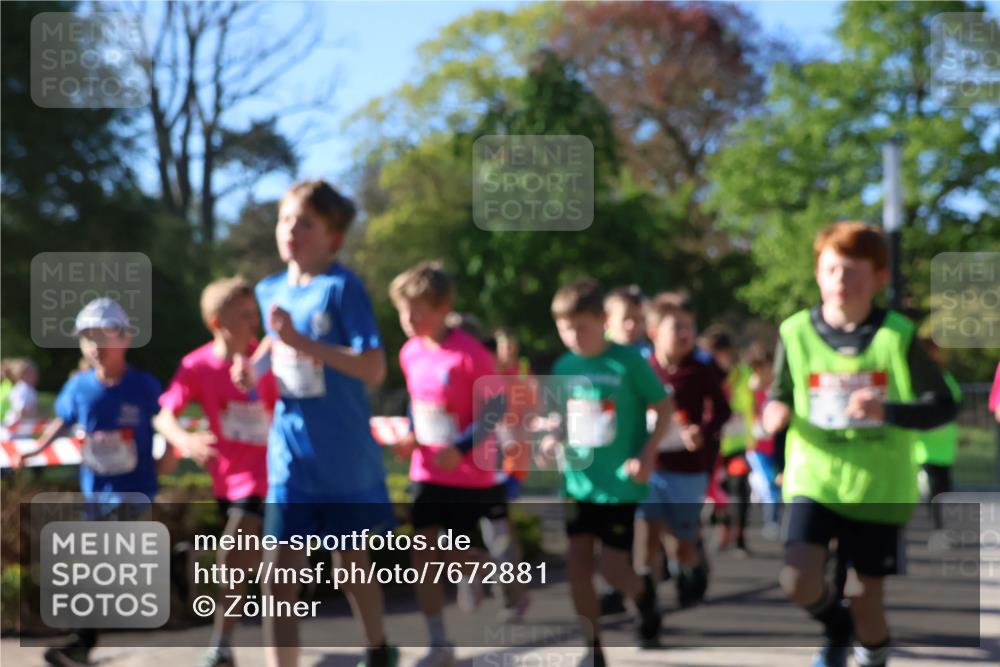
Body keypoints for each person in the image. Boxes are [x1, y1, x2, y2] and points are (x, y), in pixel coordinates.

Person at [761, 221, 959, 667]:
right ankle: (836, 627)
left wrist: (886, 411)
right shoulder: (794, 331)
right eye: (831, 269)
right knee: (797, 580)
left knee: (866, 598)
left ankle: (871, 651)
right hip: (815, 476)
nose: (840, 281)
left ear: (879, 277)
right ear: (817, 273)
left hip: (879, 484)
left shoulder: (897, 335)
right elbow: (780, 391)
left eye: (852, 271)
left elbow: (944, 405)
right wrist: (775, 410)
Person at [233, 179, 398, 667]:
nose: (291, 230)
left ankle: (377, 648)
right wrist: (253, 368)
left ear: (333, 238)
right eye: (285, 219)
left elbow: (374, 368)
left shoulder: (342, 288)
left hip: (342, 457)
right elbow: (274, 342)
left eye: (305, 223)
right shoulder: (269, 289)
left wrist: (302, 343)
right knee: (278, 574)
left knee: (350, 567)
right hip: (290, 455)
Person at [16, 298, 163, 667]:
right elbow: (62, 421)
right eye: (87, 338)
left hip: (134, 491)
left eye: (103, 336)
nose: (95, 346)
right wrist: (37, 449)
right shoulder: (79, 387)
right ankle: (84, 640)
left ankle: (81, 640)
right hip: (95, 493)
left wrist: (174, 453)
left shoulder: (143, 386)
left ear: (125, 339)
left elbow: (166, 420)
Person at [540, 277, 670, 666]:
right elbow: (559, 418)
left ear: (602, 321)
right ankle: (593, 647)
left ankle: (642, 594)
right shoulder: (565, 366)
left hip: (619, 486)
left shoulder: (628, 362)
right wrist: (550, 439)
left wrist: (647, 454)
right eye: (565, 329)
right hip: (578, 484)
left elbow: (663, 408)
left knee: (614, 572)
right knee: (578, 566)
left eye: (581, 328)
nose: (573, 337)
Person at [389, 264, 514, 666]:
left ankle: (496, 570)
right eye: (402, 311)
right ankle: (439, 642)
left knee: (456, 554)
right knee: (421, 553)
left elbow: (495, 408)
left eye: (417, 311)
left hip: (469, 474)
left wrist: (461, 447)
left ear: (443, 307)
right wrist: (411, 434)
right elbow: (418, 401)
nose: (408, 320)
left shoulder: (470, 354)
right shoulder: (410, 352)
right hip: (427, 470)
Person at [155, 276, 279, 667]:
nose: (254, 324)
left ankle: (223, 644)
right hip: (228, 480)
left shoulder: (267, 359)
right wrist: (186, 441)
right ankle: (229, 644)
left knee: (238, 550)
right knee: (253, 563)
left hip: (275, 477)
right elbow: (163, 416)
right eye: (244, 316)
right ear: (216, 322)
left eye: (255, 314)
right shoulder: (197, 365)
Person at [636, 293, 730, 609]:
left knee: (681, 545)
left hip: (688, 469)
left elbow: (722, 410)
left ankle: (693, 565)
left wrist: (702, 431)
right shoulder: (642, 369)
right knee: (646, 534)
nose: (685, 333)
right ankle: (646, 604)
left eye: (689, 326)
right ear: (654, 332)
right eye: (676, 327)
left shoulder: (700, 370)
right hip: (650, 465)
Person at [702, 328, 753, 554]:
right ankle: (723, 531)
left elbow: (754, 398)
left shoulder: (742, 374)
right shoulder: (704, 374)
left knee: (739, 489)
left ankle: (739, 538)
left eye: (716, 353)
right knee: (716, 492)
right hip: (712, 447)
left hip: (736, 446)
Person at [912, 338, 962, 550]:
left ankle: (940, 530)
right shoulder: (913, 378)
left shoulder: (944, 378)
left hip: (943, 447)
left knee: (941, 491)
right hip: (923, 449)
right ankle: (937, 530)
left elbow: (955, 403)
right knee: (932, 492)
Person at [746, 341, 783, 540]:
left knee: (778, 484)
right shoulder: (751, 388)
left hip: (776, 445)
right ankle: (771, 522)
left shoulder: (777, 387)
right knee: (770, 484)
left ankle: (757, 485)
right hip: (758, 447)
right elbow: (748, 415)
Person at [604, 285, 653, 359]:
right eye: (625, 319)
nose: (631, 326)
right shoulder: (596, 351)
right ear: (607, 320)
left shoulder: (650, 355)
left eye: (637, 320)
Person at [3, 357, 39, 427]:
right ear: (21, 374)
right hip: (14, 429)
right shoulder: (23, 389)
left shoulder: (27, 388)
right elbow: (20, 411)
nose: (35, 375)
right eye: (31, 372)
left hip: (20, 428)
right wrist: (37, 418)